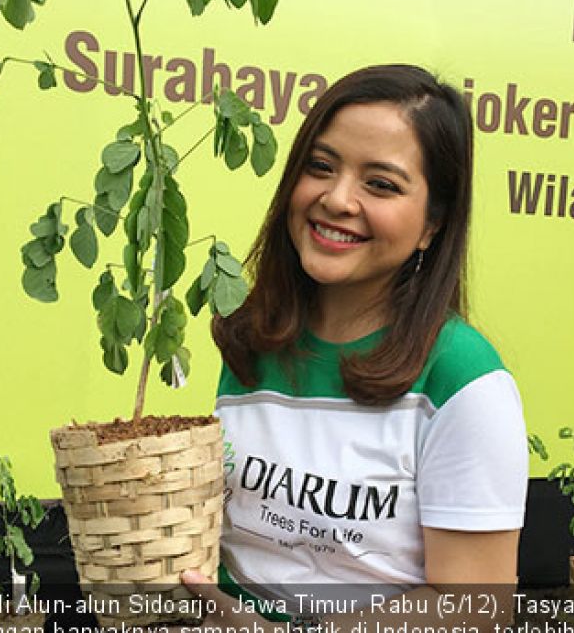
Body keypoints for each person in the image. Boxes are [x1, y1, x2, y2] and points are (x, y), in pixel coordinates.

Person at [180, 64, 528, 628]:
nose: (337, 199)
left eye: (381, 184)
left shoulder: (462, 378)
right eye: (321, 167)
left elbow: (476, 611)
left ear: (431, 225)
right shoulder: (255, 339)